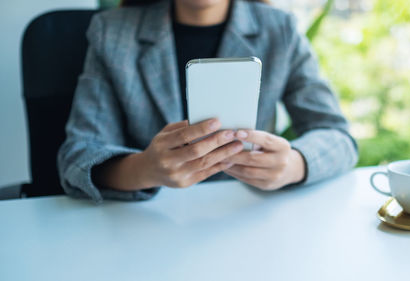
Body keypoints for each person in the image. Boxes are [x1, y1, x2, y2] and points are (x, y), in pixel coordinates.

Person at [57, 0, 358, 202]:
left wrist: (294, 164)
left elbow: (339, 137)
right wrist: (145, 168)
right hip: (145, 224)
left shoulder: (280, 30)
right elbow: (76, 157)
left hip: (246, 213)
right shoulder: (112, 33)